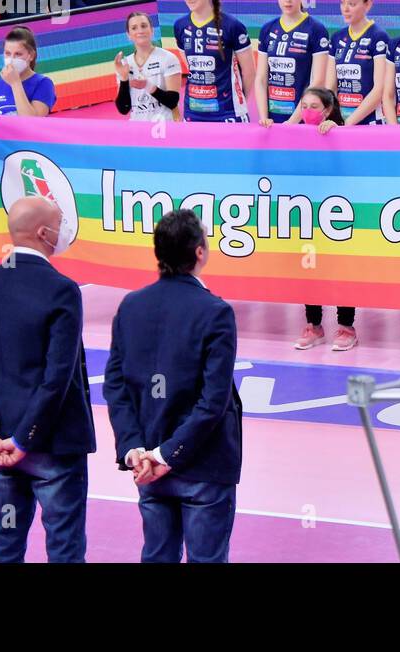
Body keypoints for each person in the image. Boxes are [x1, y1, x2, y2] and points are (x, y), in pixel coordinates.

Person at [0, 196, 96, 563]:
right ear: (44, 232)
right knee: (64, 543)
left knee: (6, 538)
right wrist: (26, 437)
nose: (67, 229)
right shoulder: (62, 290)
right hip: (52, 445)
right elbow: (57, 376)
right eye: (62, 222)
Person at [103, 209, 243, 563]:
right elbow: (213, 401)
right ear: (199, 251)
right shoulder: (216, 312)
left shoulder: (131, 305)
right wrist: (167, 454)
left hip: (148, 464)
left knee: (157, 556)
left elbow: (115, 385)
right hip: (201, 467)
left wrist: (134, 448)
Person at [290, 87, 361, 351]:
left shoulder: (340, 133)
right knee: (310, 267)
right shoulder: (294, 134)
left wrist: (337, 133)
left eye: (314, 107)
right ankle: (314, 325)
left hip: (338, 214)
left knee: (341, 270)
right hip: (309, 212)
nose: (307, 112)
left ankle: (346, 327)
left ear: (328, 110)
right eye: (304, 106)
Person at [173, 0, 255, 123]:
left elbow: (249, 72)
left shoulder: (232, 26)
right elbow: (191, 67)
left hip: (228, 112)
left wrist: (238, 100)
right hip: (193, 111)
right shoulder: (180, 26)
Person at [255, 0, 331, 125]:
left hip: (303, 120)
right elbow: (261, 79)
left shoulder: (316, 29)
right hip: (272, 120)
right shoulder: (267, 29)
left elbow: (317, 81)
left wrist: (292, 122)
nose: (287, 0)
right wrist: (264, 117)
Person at [324, 0, 391, 125]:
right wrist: (333, 119)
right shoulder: (336, 38)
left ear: (367, 5)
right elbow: (330, 88)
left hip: (370, 123)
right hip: (341, 122)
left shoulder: (378, 37)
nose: (345, 9)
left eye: (352, 4)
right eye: (342, 3)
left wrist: (348, 123)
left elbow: (379, 90)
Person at [115, 11, 183, 123]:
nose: (140, 31)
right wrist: (123, 79)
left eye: (143, 26)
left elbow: (172, 101)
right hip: (138, 129)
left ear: (151, 30)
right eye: (134, 28)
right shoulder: (126, 63)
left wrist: (147, 85)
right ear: (128, 35)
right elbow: (123, 109)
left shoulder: (168, 58)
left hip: (165, 126)